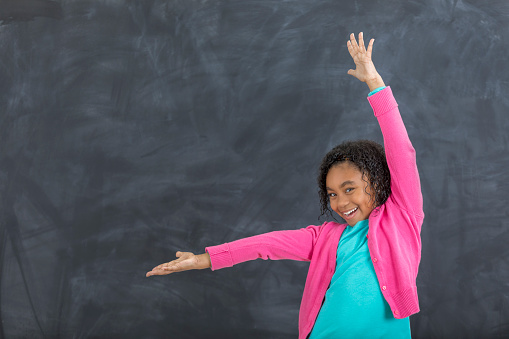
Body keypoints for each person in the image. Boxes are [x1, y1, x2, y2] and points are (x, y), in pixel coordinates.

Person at [146, 32, 424, 339]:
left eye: (349, 189)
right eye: (332, 194)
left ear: (378, 182)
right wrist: (203, 259)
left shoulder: (402, 218)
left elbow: (402, 150)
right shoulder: (325, 239)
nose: (340, 203)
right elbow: (266, 245)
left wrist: (374, 82)